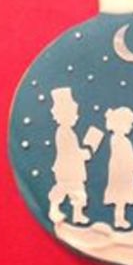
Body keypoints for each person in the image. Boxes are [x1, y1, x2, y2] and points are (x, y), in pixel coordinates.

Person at [48, 87, 93, 224]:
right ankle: (54, 210)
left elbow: (73, 151)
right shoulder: (63, 132)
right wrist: (83, 154)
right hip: (66, 170)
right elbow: (69, 152)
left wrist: (82, 153)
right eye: (74, 114)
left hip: (73, 170)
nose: (76, 117)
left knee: (78, 193)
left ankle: (77, 214)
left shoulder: (69, 132)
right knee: (62, 190)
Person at [103, 107, 133, 230]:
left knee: (121, 199)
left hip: (121, 171)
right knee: (120, 197)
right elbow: (127, 159)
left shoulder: (117, 139)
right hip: (122, 173)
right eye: (129, 124)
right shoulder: (122, 141)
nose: (131, 127)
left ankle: (119, 219)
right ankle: (119, 220)